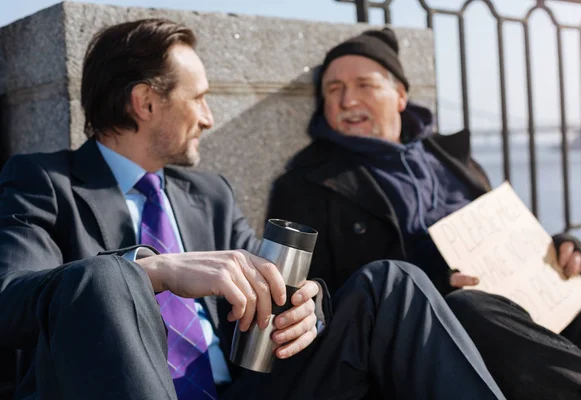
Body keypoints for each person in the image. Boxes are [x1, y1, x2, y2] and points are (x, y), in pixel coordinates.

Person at [0, 19, 504, 399]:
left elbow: (269, 292)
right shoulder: (44, 182)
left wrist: (309, 307)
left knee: (394, 283)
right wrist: (149, 271)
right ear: (145, 103)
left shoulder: (209, 193)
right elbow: (10, 302)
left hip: (246, 390)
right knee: (110, 280)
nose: (209, 117)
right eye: (197, 99)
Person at [267, 27, 581, 400]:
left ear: (400, 96)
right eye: (333, 89)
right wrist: (437, 280)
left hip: (525, 313)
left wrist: (561, 251)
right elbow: (310, 302)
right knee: (468, 309)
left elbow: (510, 239)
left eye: (364, 85)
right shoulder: (306, 184)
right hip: (438, 336)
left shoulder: (455, 161)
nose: (346, 100)